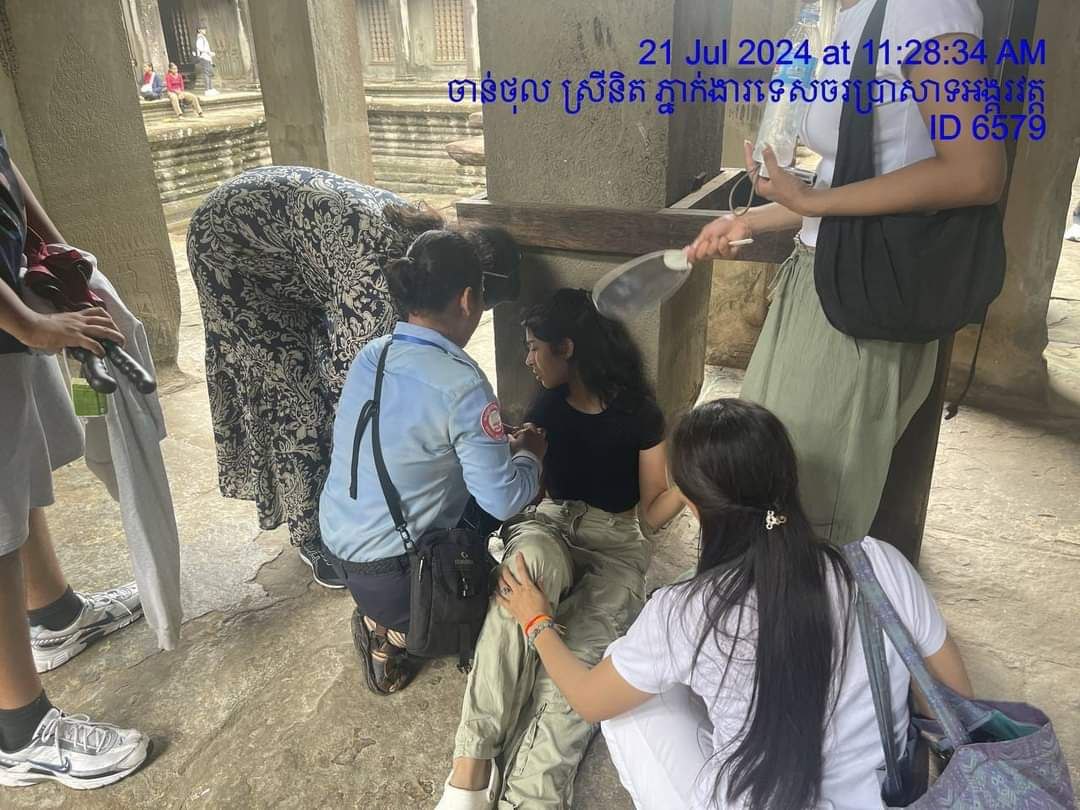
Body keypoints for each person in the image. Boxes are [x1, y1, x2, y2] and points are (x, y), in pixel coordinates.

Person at [496, 397, 974, 810]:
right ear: (789, 477)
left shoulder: (685, 611)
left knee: (629, 689)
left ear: (694, 504)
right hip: (883, 796)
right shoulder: (877, 565)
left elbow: (589, 700)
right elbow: (954, 702)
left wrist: (536, 620)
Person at [684, 0, 1006, 545]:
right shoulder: (848, 16)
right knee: (759, 483)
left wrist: (810, 202)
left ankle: (799, 599)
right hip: (816, 279)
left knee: (805, 510)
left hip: (862, 299)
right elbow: (849, 181)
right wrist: (753, 219)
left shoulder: (926, 9)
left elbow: (976, 173)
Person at [437, 289, 686, 810]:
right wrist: (519, 451)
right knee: (525, 571)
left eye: (534, 347)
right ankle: (472, 767)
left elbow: (649, 515)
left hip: (617, 545)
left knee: (581, 663)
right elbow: (529, 495)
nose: (528, 360)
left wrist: (689, 482)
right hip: (550, 524)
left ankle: (530, 798)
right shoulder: (546, 406)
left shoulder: (640, 413)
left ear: (566, 348)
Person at [188, 169, 481, 590]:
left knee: (321, 371)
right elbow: (353, 389)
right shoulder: (372, 282)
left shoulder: (426, 254)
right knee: (294, 395)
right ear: (465, 297)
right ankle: (313, 535)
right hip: (227, 250)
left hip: (283, 244)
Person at [320, 227, 546, 694]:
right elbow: (504, 500)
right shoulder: (462, 383)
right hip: (395, 577)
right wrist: (530, 455)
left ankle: (381, 616)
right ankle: (399, 631)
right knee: (498, 610)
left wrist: (489, 442)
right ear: (468, 299)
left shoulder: (373, 353)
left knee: (474, 477)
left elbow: (406, 439)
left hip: (339, 549)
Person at [0, 132, 149, 788]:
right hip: (13, 318)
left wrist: (60, 261)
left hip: (12, 302)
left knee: (16, 479)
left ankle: (54, 615)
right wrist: (32, 326)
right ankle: (18, 731)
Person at [194, 24, 217, 96]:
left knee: (209, 73)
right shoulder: (200, 38)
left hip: (207, 57)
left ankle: (211, 88)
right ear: (199, 30)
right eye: (203, 29)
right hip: (204, 57)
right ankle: (207, 89)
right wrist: (209, 52)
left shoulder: (203, 38)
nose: (205, 30)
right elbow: (200, 48)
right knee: (206, 73)